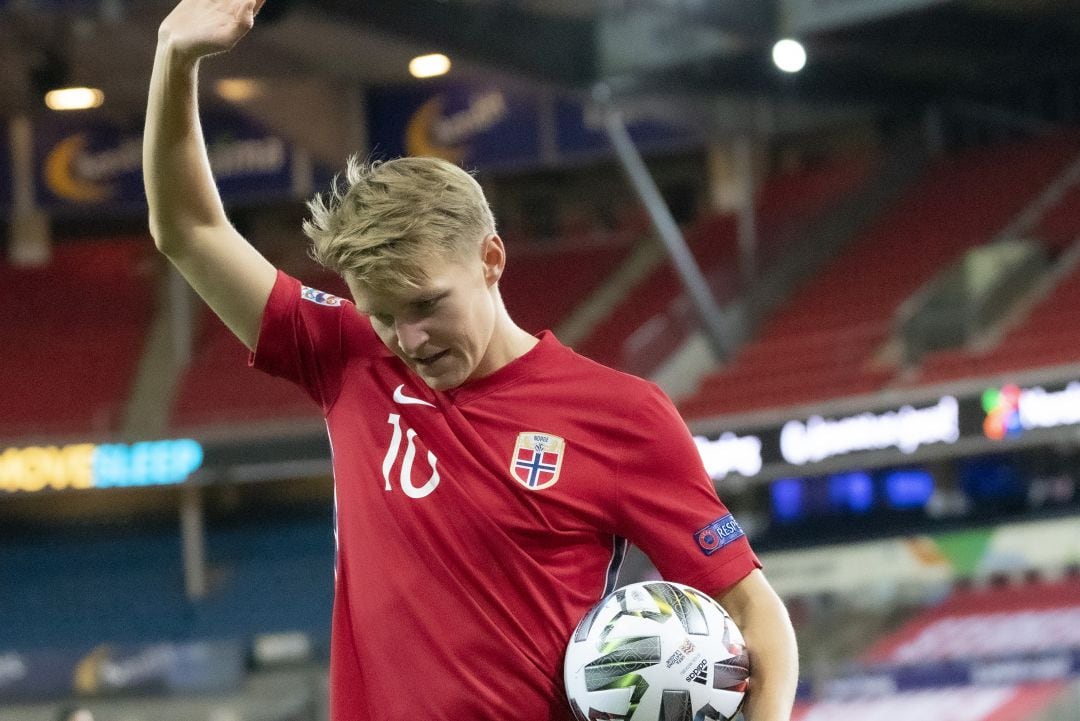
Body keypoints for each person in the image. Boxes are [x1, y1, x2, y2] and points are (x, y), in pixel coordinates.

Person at [143, 1, 799, 719]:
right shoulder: (346, 356)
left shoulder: (620, 414)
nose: (408, 340)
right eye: (382, 314)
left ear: (492, 259)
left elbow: (749, 607)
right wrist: (175, 57)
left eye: (426, 305)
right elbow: (190, 229)